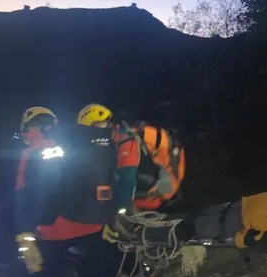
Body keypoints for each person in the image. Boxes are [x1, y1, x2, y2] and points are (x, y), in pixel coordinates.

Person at [15, 106, 115, 277]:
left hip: (49, 229)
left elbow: (23, 195)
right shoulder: (74, 144)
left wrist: (23, 233)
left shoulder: (30, 153)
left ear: (30, 128)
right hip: (87, 222)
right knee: (86, 262)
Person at [75, 104, 186, 244]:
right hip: (158, 184)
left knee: (117, 187)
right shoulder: (116, 137)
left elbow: (127, 177)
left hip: (155, 191)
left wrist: (121, 213)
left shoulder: (125, 139)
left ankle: (134, 223)